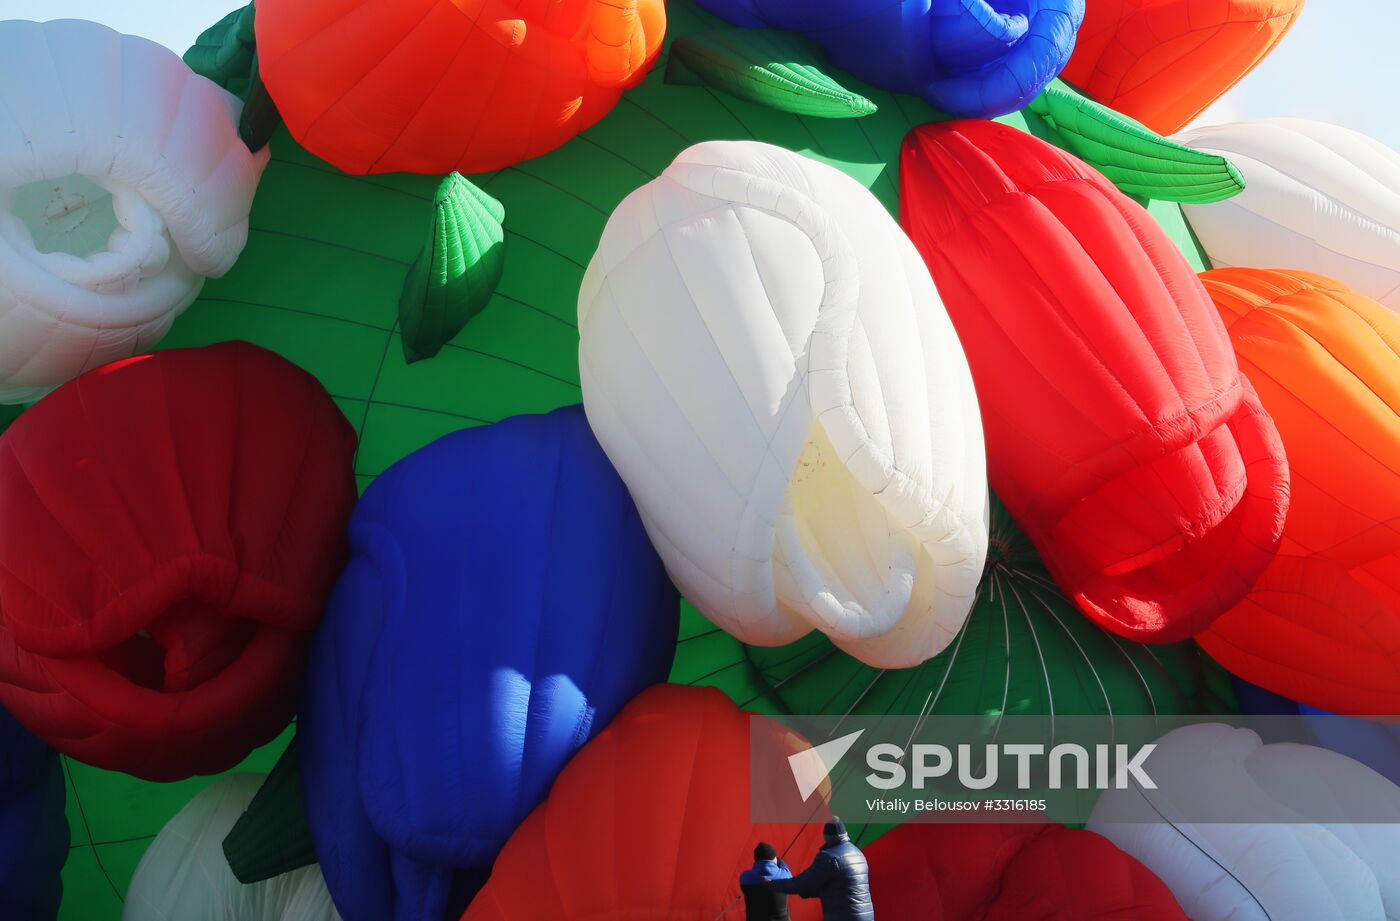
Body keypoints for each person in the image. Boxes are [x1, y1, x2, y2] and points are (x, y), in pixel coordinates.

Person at [768, 817, 873, 921]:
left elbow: (802, 883)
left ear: (826, 837)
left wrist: (772, 884)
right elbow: (840, 887)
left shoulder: (829, 857)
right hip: (867, 917)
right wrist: (807, 891)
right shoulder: (859, 854)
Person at [739, 842, 793, 921]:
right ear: (774, 859)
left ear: (756, 860)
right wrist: (780, 861)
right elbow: (786, 869)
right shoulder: (784, 876)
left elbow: (755, 876)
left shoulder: (745, 878)